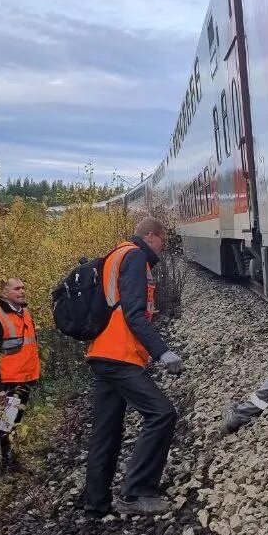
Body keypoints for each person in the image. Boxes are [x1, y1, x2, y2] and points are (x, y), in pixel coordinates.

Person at [82, 216, 183, 518]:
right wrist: (164, 353)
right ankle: (136, 492)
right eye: (163, 241)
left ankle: (95, 505)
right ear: (151, 236)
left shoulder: (117, 254)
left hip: (102, 353)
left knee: (106, 432)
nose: (163, 249)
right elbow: (134, 314)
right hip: (118, 356)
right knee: (162, 413)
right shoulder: (136, 257)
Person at [0, 278, 40, 476]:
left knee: (13, 425)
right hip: (7, 382)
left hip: (24, 379)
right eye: (17, 288)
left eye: (23, 287)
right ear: (5, 293)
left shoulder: (25, 313)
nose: (22, 291)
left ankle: (9, 463)